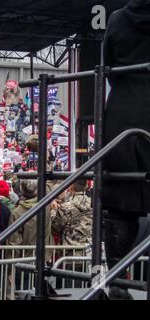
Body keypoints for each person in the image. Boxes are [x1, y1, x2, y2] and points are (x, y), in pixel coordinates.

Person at [102, 0, 150, 300]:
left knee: (120, 203)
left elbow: (108, 68)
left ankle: (118, 281)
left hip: (122, 117)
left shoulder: (118, 18)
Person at [51, 180, 92, 246]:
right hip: (89, 249)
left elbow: (55, 228)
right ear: (86, 186)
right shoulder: (93, 204)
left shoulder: (66, 207)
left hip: (69, 249)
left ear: (71, 187)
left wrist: (53, 209)